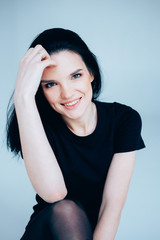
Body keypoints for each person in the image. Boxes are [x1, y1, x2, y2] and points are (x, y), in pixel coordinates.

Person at [6, 28, 145, 240]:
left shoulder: (124, 120)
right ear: (40, 91)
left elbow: (111, 206)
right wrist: (22, 97)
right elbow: (55, 194)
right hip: (49, 231)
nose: (67, 93)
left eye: (75, 76)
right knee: (66, 210)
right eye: (51, 84)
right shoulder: (36, 125)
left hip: (89, 234)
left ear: (91, 73)